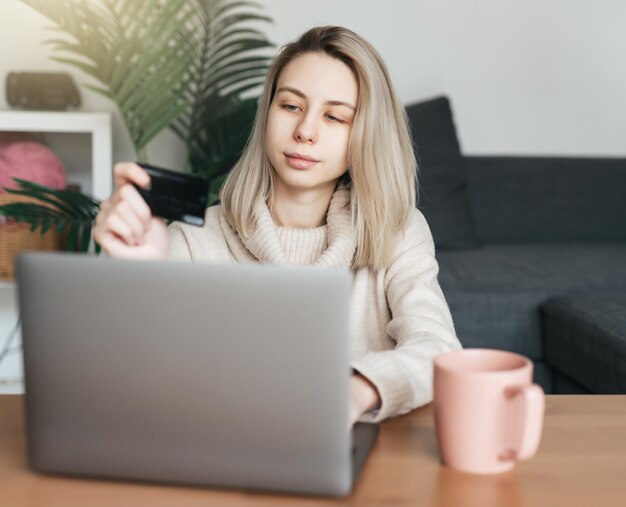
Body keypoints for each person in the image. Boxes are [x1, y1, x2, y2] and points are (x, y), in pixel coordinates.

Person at [93, 25, 462, 426]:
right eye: (290, 106)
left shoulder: (397, 232)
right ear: (268, 112)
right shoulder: (193, 240)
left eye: (335, 116)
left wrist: (357, 390)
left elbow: (438, 348)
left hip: (355, 449)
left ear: (365, 135)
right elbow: (134, 375)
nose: (305, 131)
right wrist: (140, 271)